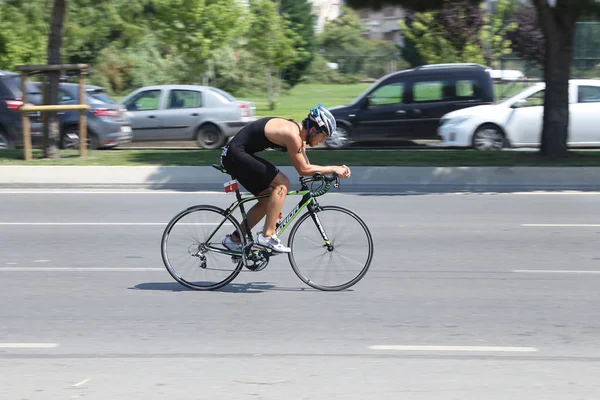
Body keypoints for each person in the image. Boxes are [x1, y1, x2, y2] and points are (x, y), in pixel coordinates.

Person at [220, 104, 351, 253]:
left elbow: (307, 168)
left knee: (267, 200)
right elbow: (303, 169)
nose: (323, 141)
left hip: (238, 155)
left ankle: (234, 239)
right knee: (282, 183)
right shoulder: (292, 135)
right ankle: (267, 236)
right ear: (314, 130)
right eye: (324, 135)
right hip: (235, 154)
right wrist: (334, 168)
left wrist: (328, 175)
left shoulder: (300, 138)